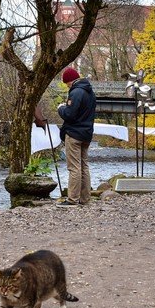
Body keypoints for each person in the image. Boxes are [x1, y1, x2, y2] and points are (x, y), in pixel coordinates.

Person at [56, 67, 96, 207]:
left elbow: (69, 114)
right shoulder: (90, 92)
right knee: (84, 166)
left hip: (73, 134)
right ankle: (85, 199)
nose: (67, 86)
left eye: (67, 83)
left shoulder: (76, 92)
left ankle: (72, 200)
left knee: (74, 168)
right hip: (86, 134)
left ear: (71, 81)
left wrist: (61, 108)